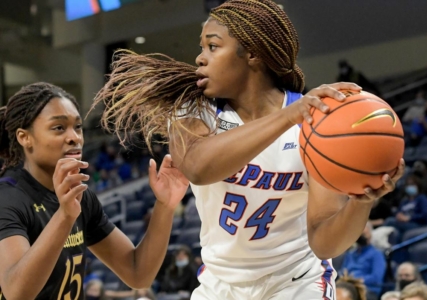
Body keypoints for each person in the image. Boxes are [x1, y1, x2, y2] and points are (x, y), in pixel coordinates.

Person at [92, 1, 404, 299]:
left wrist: (361, 203)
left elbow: (324, 244)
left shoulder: (313, 125)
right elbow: (199, 169)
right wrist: (287, 117)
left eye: (212, 46)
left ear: (252, 54)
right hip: (220, 285)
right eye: (202, 47)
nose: (200, 58)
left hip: (295, 281)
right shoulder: (193, 112)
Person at [0, 82, 189, 299]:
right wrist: (64, 216)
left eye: (77, 127)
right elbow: (17, 293)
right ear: (24, 137)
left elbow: (138, 273)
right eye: (59, 127)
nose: (75, 137)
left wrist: (164, 206)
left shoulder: (82, 196)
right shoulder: (7, 198)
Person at [340, 222, 386, 300]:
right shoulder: (350, 254)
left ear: (370, 235)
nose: (362, 238)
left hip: (367, 289)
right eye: (359, 235)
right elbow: (342, 272)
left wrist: (356, 281)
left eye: (364, 234)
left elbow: (376, 278)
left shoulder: (376, 254)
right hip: (348, 286)